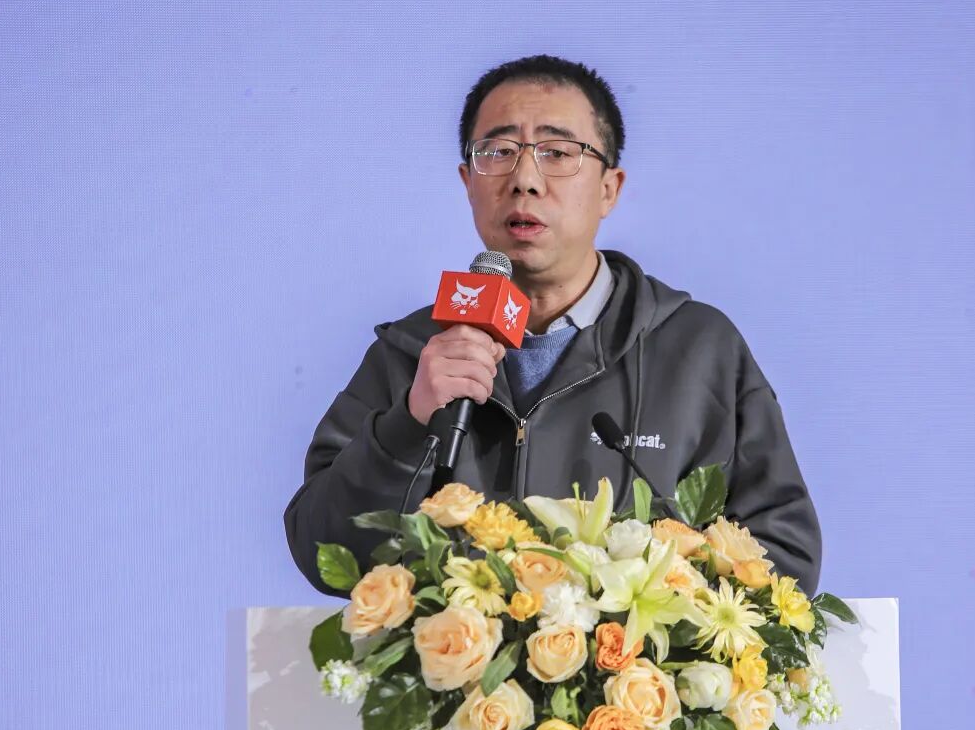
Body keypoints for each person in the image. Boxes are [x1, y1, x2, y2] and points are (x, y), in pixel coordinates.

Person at [284, 54, 821, 595]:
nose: (525, 180)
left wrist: (641, 609)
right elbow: (321, 550)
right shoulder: (414, 352)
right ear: (468, 182)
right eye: (499, 152)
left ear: (609, 188)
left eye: (558, 153)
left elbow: (784, 554)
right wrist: (408, 423)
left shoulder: (699, 350)